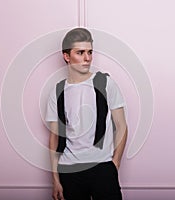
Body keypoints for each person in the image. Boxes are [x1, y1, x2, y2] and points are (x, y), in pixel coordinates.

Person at [46, 27, 128, 200]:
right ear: (67, 56)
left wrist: (115, 163)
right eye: (80, 52)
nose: (87, 58)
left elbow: (121, 126)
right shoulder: (57, 91)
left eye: (90, 52)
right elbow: (54, 137)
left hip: (103, 168)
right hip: (69, 170)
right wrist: (55, 179)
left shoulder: (105, 83)